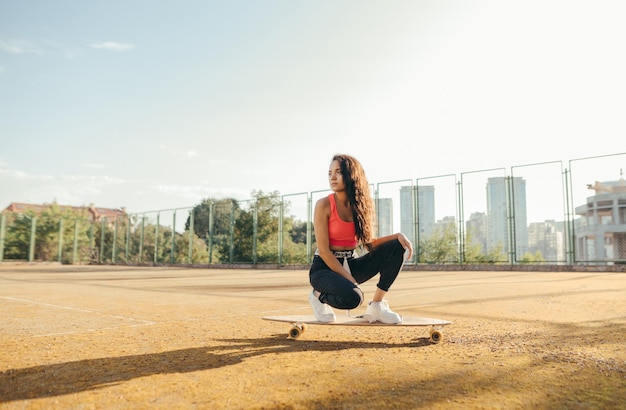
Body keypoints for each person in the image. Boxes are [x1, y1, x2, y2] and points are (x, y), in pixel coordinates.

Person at [309, 154, 414, 324]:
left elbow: (369, 244)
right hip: (324, 268)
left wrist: (396, 237)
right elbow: (324, 251)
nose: (332, 177)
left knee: (396, 246)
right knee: (353, 298)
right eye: (330, 173)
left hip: (351, 263)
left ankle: (377, 306)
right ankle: (318, 296)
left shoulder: (361, 206)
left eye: (338, 172)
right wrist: (350, 280)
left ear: (351, 175)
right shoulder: (323, 205)